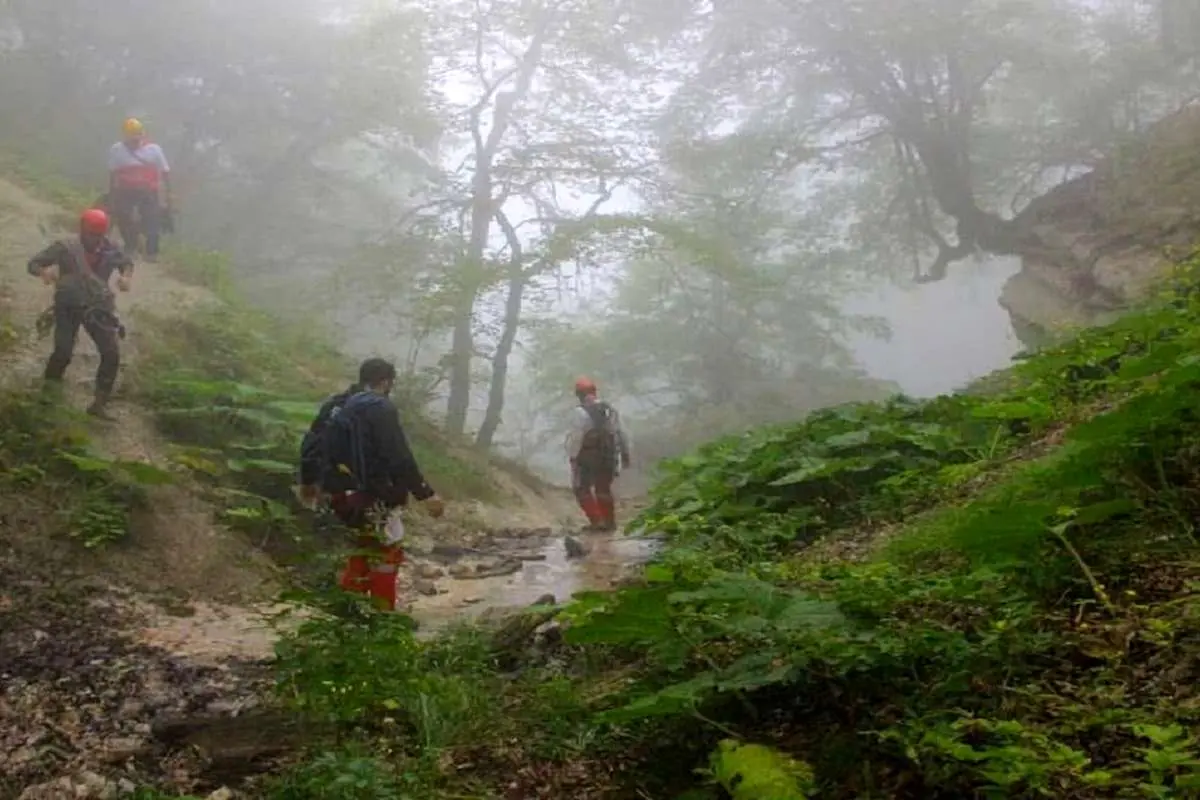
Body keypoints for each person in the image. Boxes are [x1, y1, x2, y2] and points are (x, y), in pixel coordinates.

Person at [299, 357, 445, 610]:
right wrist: (425, 493)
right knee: (387, 553)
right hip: (376, 494)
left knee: (362, 548)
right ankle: (383, 617)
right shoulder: (380, 407)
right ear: (386, 382)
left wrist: (309, 482)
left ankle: (349, 612)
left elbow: (311, 444)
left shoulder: (336, 405)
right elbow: (398, 455)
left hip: (340, 494)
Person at [27, 208, 133, 419]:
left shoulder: (110, 248)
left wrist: (126, 277)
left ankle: (99, 403)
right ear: (83, 230)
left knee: (111, 353)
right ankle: (48, 396)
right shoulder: (66, 247)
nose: (95, 239)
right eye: (92, 234)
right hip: (68, 305)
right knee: (63, 351)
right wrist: (43, 272)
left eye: (99, 235)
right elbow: (33, 263)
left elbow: (126, 263)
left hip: (97, 306)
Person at [566, 377, 631, 532]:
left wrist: (573, 456)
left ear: (579, 395)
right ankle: (609, 522)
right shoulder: (609, 410)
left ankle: (597, 521)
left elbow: (576, 437)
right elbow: (620, 432)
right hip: (609, 455)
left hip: (587, 456)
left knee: (581, 488)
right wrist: (625, 453)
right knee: (603, 489)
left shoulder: (580, 412)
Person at [107, 117, 171, 262]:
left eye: (137, 137)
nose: (135, 142)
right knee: (123, 216)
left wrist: (168, 194)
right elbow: (113, 173)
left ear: (142, 135)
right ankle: (131, 246)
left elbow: (165, 172)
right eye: (132, 139)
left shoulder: (154, 150)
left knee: (152, 219)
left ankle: (152, 252)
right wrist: (112, 196)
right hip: (125, 190)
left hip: (148, 191)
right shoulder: (117, 150)